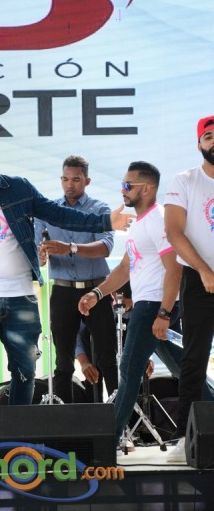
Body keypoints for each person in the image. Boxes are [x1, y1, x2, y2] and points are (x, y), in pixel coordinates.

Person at [0, 139, 134, 450]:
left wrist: (105, 221)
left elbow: (59, 214)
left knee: (24, 371)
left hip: (19, 294)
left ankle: (16, 437)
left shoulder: (18, 189)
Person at [79, 161, 182, 451]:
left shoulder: (158, 219)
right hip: (150, 306)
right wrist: (97, 293)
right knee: (185, 372)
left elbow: (174, 269)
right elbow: (126, 267)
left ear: (147, 189)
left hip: (153, 306)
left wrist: (164, 313)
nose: (122, 190)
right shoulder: (139, 223)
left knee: (128, 370)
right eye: (122, 184)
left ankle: (107, 443)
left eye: (128, 185)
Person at [34, 155, 117, 403]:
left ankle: (119, 417)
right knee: (63, 363)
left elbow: (106, 247)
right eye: (65, 179)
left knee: (107, 358)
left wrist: (69, 248)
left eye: (76, 180)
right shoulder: (47, 211)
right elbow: (36, 253)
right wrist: (40, 256)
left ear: (87, 181)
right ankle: (65, 420)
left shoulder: (100, 209)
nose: (69, 184)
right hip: (62, 291)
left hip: (97, 291)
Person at [164, 115, 214, 463]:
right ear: (199, 144)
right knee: (194, 359)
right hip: (198, 279)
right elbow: (174, 232)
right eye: (209, 136)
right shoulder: (184, 180)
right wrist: (204, 270)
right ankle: (186, 439)